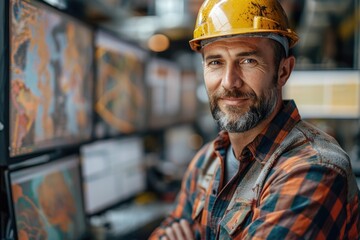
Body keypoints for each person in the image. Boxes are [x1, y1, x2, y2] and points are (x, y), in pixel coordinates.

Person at [149, 0, 360, 239]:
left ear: (283, 71)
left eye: (248, 61)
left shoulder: (315, 169)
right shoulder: (206, 162)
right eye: (216, 62)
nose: (229, 82)